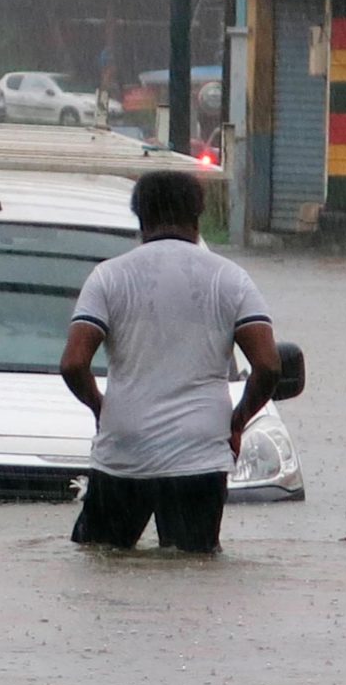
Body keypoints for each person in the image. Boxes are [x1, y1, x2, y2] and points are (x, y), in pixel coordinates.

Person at [58, 169, 281, 553]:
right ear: (198, 216)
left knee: (100, 562)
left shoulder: (108, 277)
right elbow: (270, 366)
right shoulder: (231, 279)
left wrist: (101, 407)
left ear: (140, 218)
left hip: (124, 449)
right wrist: (238, 421)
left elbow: (73, 363)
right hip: (200, 452)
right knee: (191, 572)